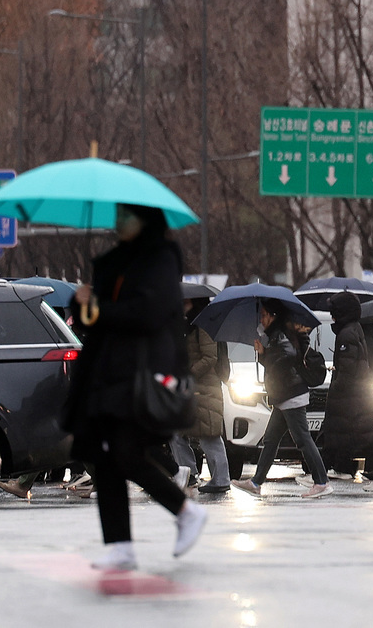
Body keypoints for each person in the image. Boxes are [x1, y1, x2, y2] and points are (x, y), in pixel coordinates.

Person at [63, 204, 207, 570]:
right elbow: (94, 319)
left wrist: (98, 306)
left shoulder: (160, 259)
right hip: (106, 373)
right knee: (103, 457)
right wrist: (79, 304)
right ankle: (120, 546)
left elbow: (147, 313)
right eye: (118, 215)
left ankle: (185, 510)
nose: (119, 222)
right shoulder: (113, 260)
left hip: (141, 374)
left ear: (145, 221)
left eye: (127, 216)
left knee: (125, 454)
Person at [232, 300, 332, 498]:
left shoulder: (281, 335)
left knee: (302, 439)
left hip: (291, 393)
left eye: (264, 315)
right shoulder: (278, 334)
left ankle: (322, 481)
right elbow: (280, 361)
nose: (261, 319)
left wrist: (264, 354)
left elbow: (284, 360)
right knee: (270, 439)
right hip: (284, 395)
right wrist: (264, 354)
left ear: (273, 316)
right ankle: (256, 482)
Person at [315, 292, 373, 491]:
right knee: (338, 436)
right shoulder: (354, 329)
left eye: (334, 312)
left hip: (350, 398)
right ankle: (320, 476)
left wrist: (337, 387)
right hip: (357, 397)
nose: (331, 316)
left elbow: (348, 369)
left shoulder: (346, 334)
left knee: (362, 439)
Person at [169, 296, 231, 493]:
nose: (182, 304)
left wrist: (189, 373)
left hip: (205, 389)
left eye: (186, 302)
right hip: (193, 389)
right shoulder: (189, 326)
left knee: (208, 435)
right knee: (177, 432)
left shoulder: (204, 326)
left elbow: (210, 357)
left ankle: (221, 479)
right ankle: (188, 474)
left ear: (195, 303)